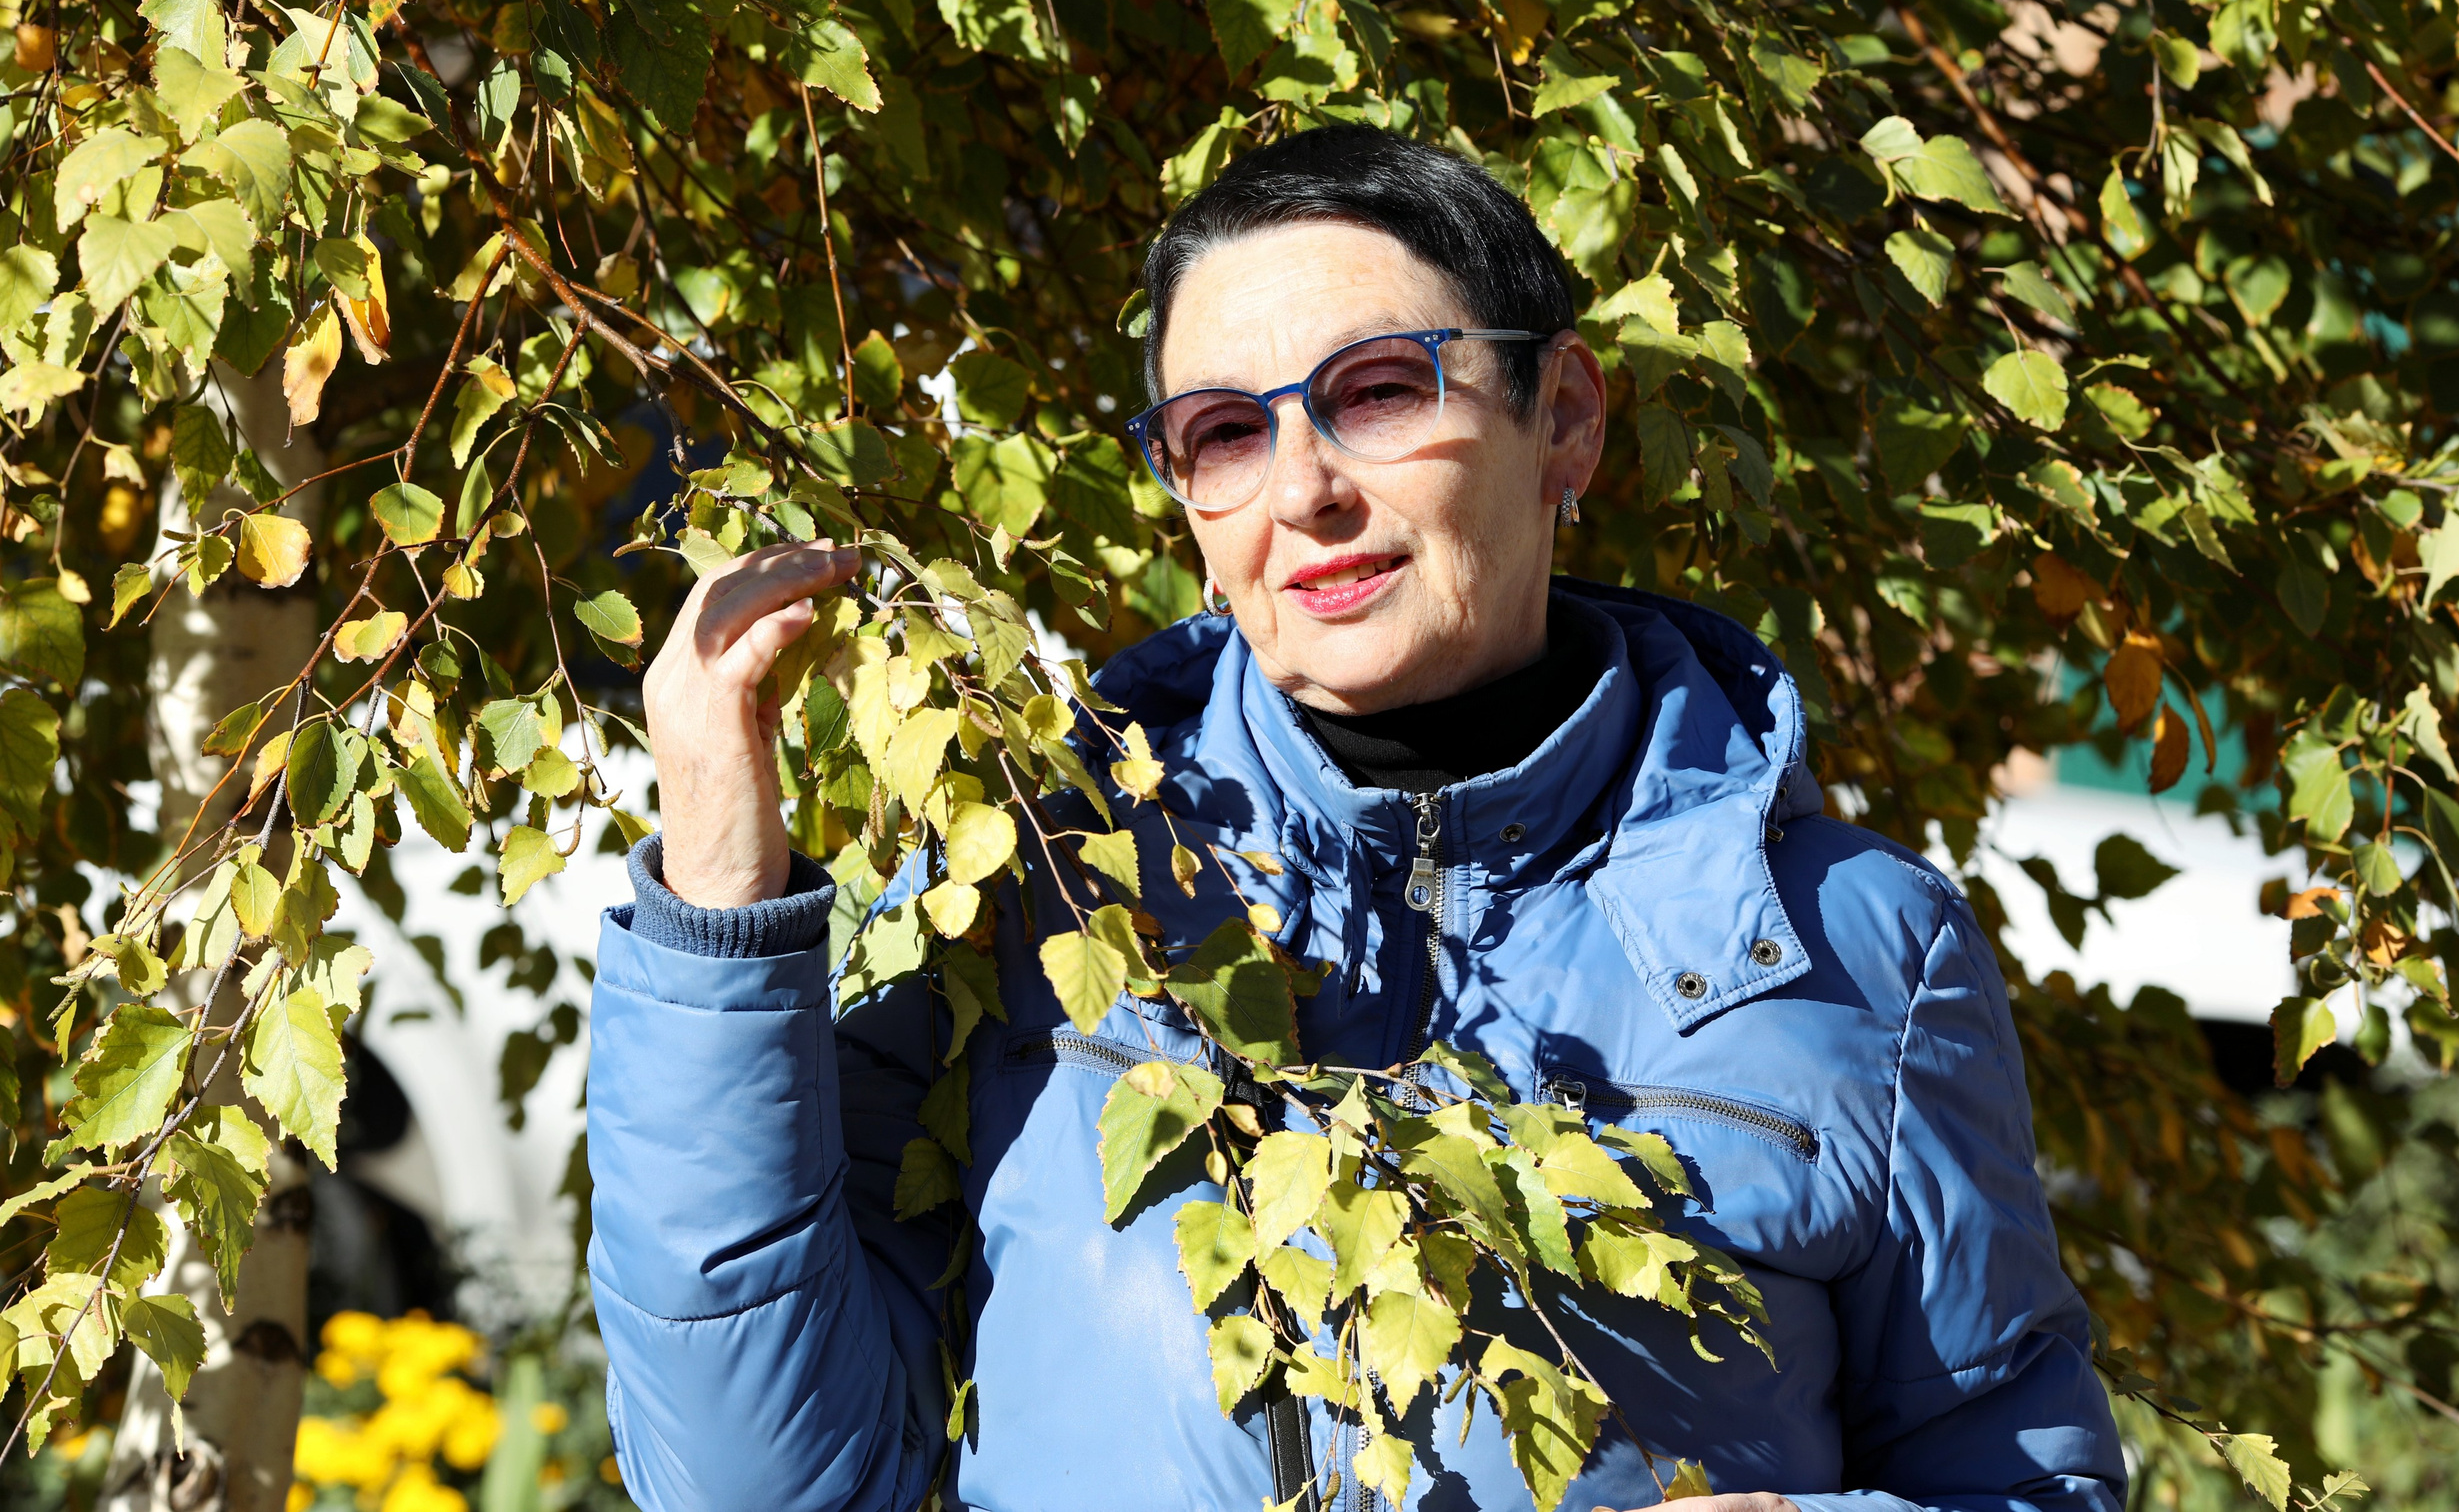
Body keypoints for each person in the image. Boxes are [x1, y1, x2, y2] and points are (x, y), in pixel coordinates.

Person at [584, 128, 2126, 1512]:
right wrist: (721, 890)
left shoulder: (1853, 952)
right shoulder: (1036, 886)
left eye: (1379, 391)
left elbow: (2022, 1475)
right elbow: (755, 1483)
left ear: (1566, 420)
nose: (1303, 488)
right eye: (1224, 434)